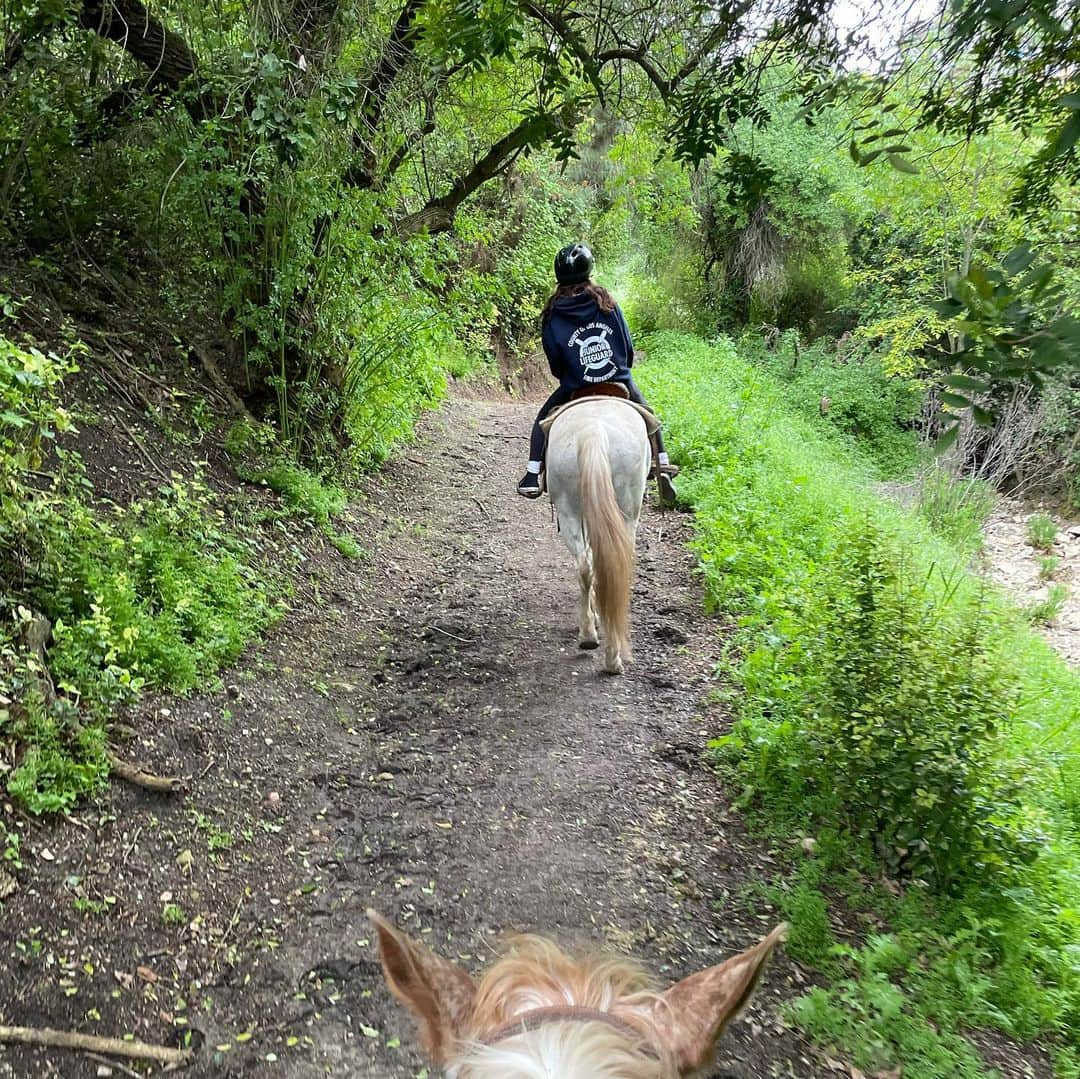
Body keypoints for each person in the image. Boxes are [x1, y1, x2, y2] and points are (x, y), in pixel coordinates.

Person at [517, 242, 678, 504]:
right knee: (648, 415)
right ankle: (662, 466)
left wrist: (572, 375)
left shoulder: (553, 312)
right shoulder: (607, 302)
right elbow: (627, 348)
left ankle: (532, 473)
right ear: (589, 272)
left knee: (542, 420)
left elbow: (555, 363)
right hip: (618, 380)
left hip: (575, 386)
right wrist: (617, 369)